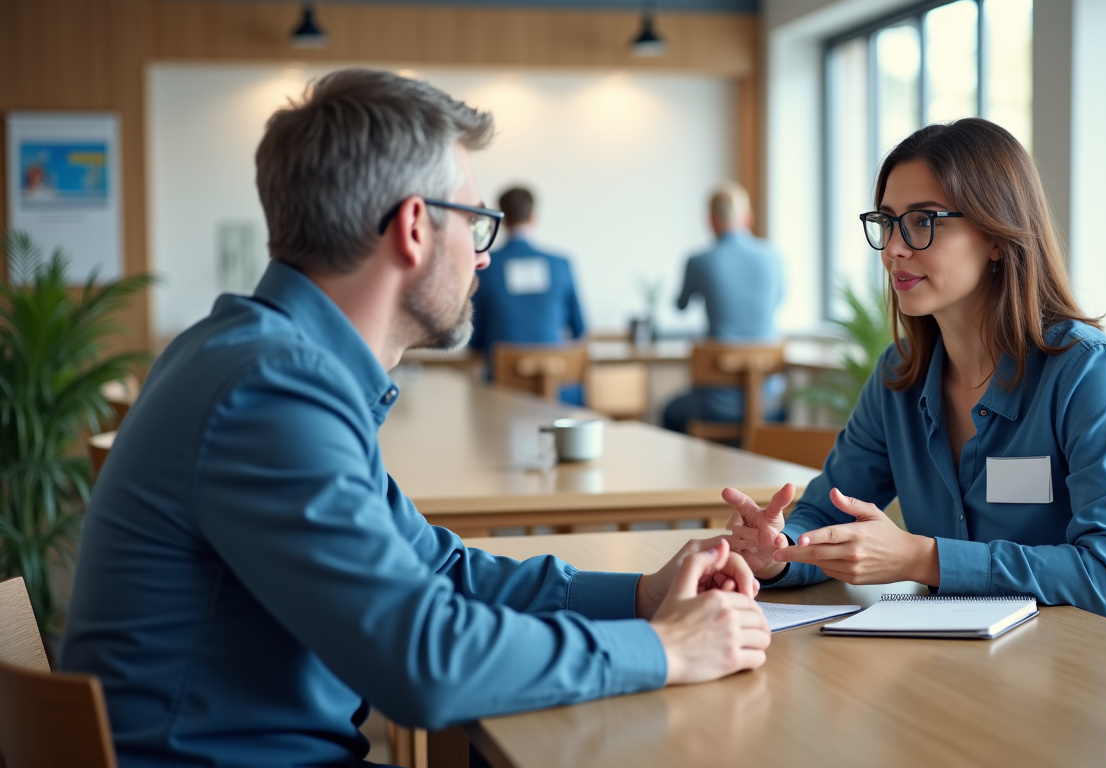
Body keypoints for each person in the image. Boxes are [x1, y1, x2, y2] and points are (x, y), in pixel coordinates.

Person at [60, 69, 769, 767]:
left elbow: (439, 570)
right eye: (477, 223)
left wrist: (642, 597)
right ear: (414, 227)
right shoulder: (270, 390)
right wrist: (667, 650)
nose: (484, 257)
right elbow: (425, 665)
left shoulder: (258, 356)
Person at [720, 118, 1106, 646]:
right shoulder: (897, 377)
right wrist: (780, 550)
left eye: (923, 222)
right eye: (888, 222)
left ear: (997, 236)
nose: (894, 250)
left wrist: (921, 558)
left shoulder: (1087, 372)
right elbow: (826, 510)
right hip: (989, 657)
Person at [662, 181, 786, 433]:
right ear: (748, 218)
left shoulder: (698, 261)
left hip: (715, 405)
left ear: (711, 220)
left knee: (669, 412)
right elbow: (778, 301)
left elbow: (681, 306)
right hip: (768, 403)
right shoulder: (775, 258)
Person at [469, 185, 587, 405]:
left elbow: (474, 340)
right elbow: (580, 329)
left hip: (502, 392)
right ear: (534, 218)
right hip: (559, 394)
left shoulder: (486, 266)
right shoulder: (561, 265)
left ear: (503, 220)